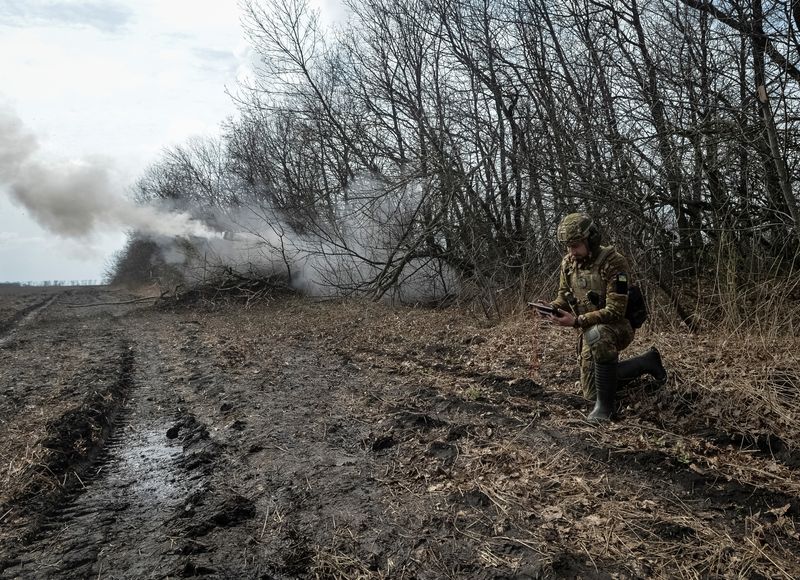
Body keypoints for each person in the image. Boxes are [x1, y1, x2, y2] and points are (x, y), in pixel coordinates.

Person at [533, 212, 667, 422]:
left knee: (598, 334)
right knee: (591, 392)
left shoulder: (613, 262)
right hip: (591, 329)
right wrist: (550, 307)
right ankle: (646, 362)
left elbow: (615, 311)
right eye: (568, 246)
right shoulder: (568, 264)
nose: (571, 251)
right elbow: (563, 297)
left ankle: (605, 409)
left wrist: (576, 321)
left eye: (575, 245)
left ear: (591, 239)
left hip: (618, 327)